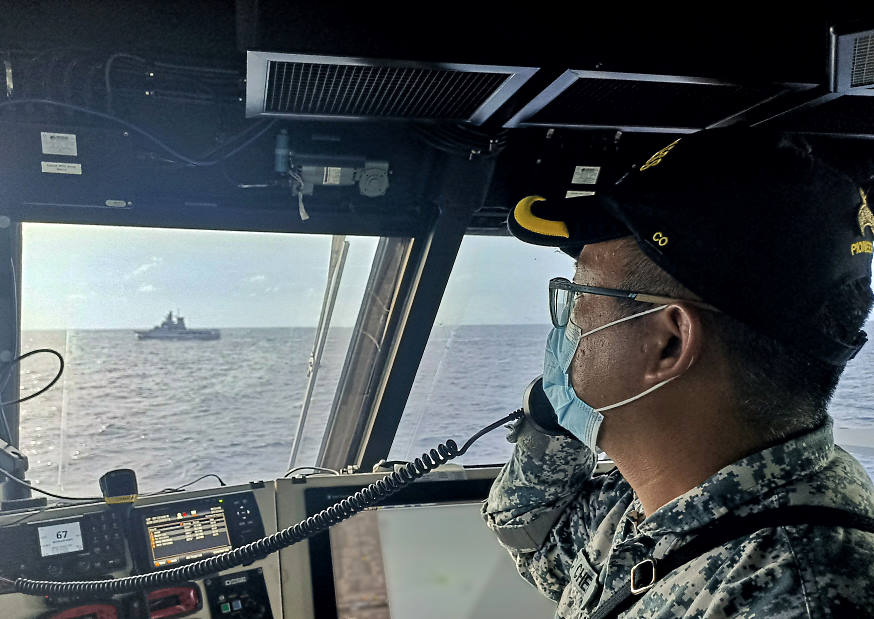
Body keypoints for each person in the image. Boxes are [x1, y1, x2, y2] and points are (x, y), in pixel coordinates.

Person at [482, 127, 874, 617]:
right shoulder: (664, 501)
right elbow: (534, 537)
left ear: (668, 343)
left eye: (581, 295)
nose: (565, 324)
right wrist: (550, 417)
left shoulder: (794, 595)